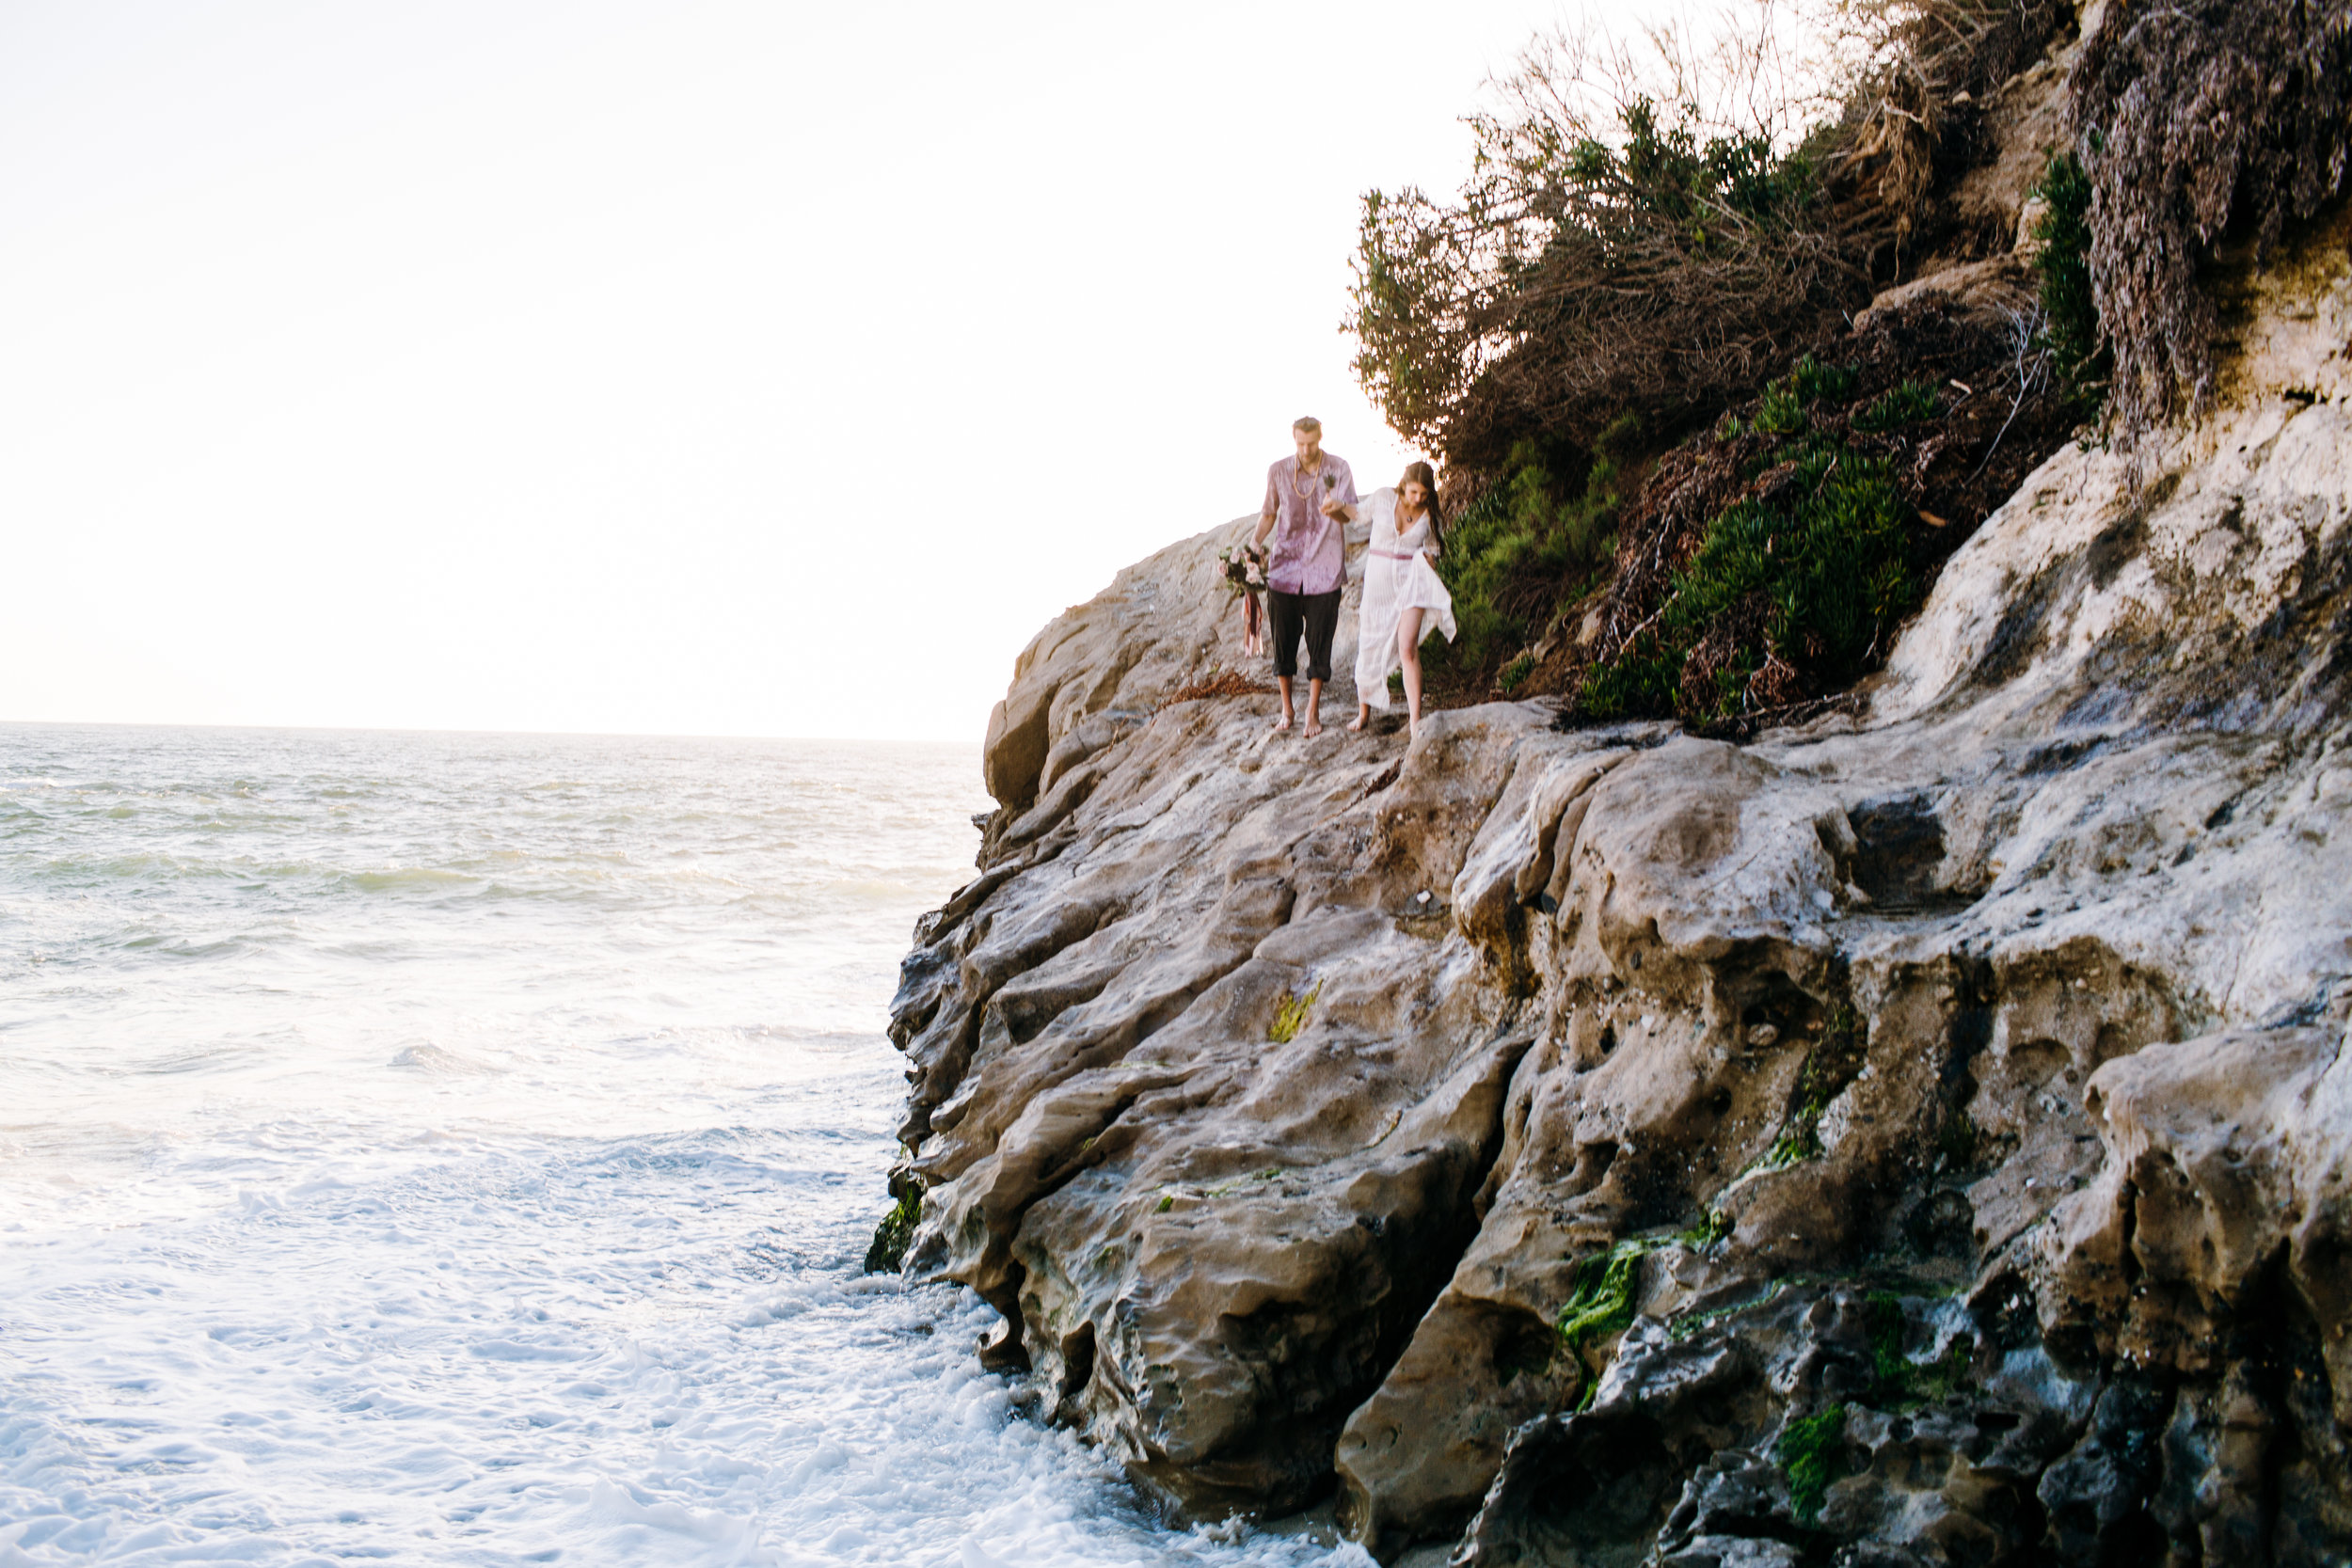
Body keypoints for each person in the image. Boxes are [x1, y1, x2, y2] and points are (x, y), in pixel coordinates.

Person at [1254, 417, 1358, 736]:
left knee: (1319, 640)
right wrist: (1256, 543)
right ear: (1293, 439)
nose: (1306, 449)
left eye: (1311, 443)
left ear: (1320, 438)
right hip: (1285, 567)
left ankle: (1312, 709)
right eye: (1300, 443)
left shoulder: (1338, 468)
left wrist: (1336, 507)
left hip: (1324, 568)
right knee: (1283, 640)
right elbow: (1269, 512)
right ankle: (1287, 708)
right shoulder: (1278, 471)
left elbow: (1352, 514)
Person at [1347, 460, 1455, 740]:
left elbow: (1433, 547)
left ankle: (1415, 720)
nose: (1417, 498)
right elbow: (1357, 514)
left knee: (1407, 649)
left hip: (1411, 582)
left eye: (1423, 494)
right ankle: (1363, 713)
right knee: (1369, 644)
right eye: (1413, 492)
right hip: (1377, 586)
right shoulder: (1384, 498)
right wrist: (1335, 506)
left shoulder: (1428, 514)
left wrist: (1431, 558)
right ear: (1403, 484)